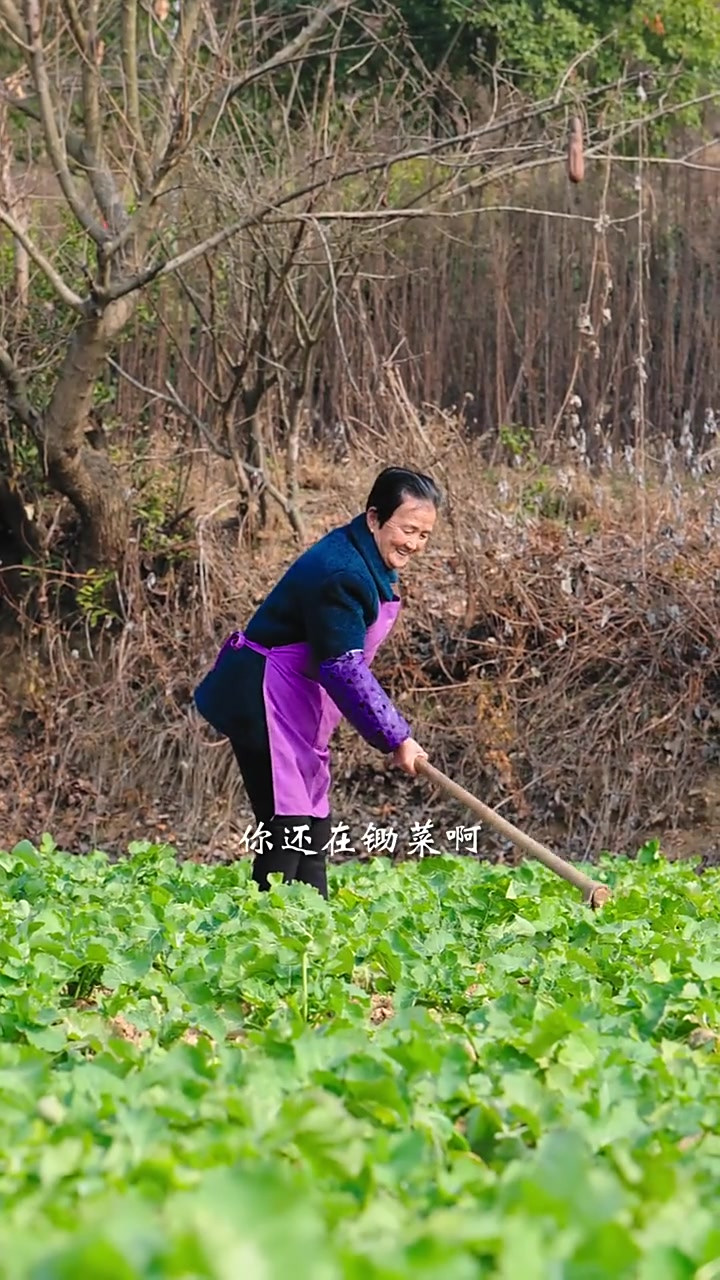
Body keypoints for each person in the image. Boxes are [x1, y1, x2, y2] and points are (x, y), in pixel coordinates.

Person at [193, 465, 441, 898]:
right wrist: (397, 737)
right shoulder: (342, 573)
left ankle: (313, 929)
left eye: (424, 535)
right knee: (286, 824)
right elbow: (343, 667)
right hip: (264, 695)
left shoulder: (367, 562)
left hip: (298, 701)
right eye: (407, 529)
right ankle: (261, 937)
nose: (414, 544)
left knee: (313, 822)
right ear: (374, 518)